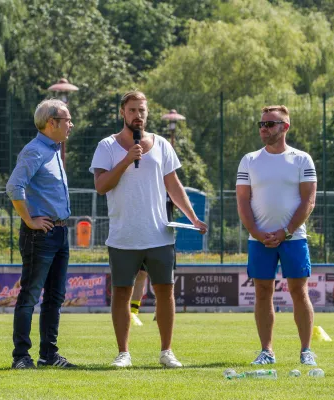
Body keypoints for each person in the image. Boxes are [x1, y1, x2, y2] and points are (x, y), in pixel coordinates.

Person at [90, 90, 207, 368]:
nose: (137, 115)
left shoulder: (163, 145)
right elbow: (101, 185)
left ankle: (167, 352)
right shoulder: (107, 146)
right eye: (132, 110)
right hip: (123, 235)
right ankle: (123, 353)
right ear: (122, 112)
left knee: (165, 292)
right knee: (121, 292)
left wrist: (192, 217)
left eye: (142, 110)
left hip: (159, 235)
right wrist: (127, 159)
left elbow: (173, 185)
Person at [236, 105, 318, 366]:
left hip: (293, 238)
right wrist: (257, 233)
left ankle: (306, 351)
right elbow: (242, 201)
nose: (264, 128)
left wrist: (285, 232)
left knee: (298, 290)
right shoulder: (249, 160)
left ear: (285, 127)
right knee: (262, 292)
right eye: (261, 124)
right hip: (259, 239)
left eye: (270, 124)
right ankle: (266, 351)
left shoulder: (302, 159)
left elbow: (309, 201)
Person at [6, 99, 76, 369]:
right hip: (40, 235)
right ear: (52, 123)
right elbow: (14, 187)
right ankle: (21, 357)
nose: (71, 124)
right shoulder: (35, 151)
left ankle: (49, 355)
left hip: (59, 233)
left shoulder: (55, 150)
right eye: (67, 119)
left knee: (56, 296)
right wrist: (30, 220)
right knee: (30, 296)